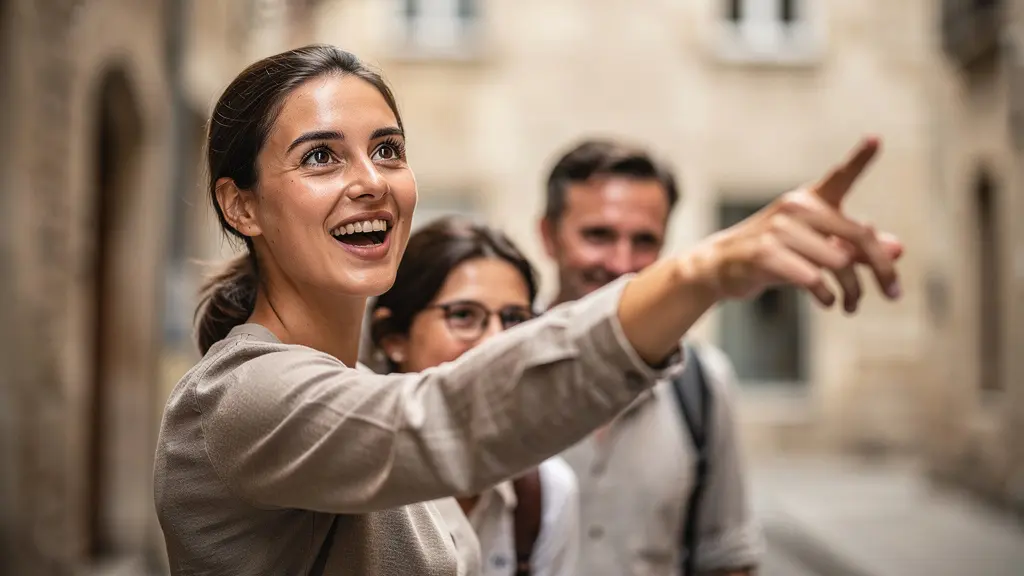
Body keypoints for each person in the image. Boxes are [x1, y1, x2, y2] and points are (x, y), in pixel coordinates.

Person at [152, 44, 903, 576]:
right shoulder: (241, 398)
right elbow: (439, 422)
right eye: (321, 156)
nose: (371, 181)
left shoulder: (353, 387)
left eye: (387, 150)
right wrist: (704, 271)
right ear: (241, 204)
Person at [536, 139, 838, 575]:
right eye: (598, 235)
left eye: (643, 241)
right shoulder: (493, 370)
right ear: (549, 236)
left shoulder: (700, 382)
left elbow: (728, 556)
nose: (621, 262)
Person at [366, 216, 579, 576]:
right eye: (464, 315)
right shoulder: (354, 475)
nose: (497, 341)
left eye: (514, 318)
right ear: (394, 338)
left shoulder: (545, 492)